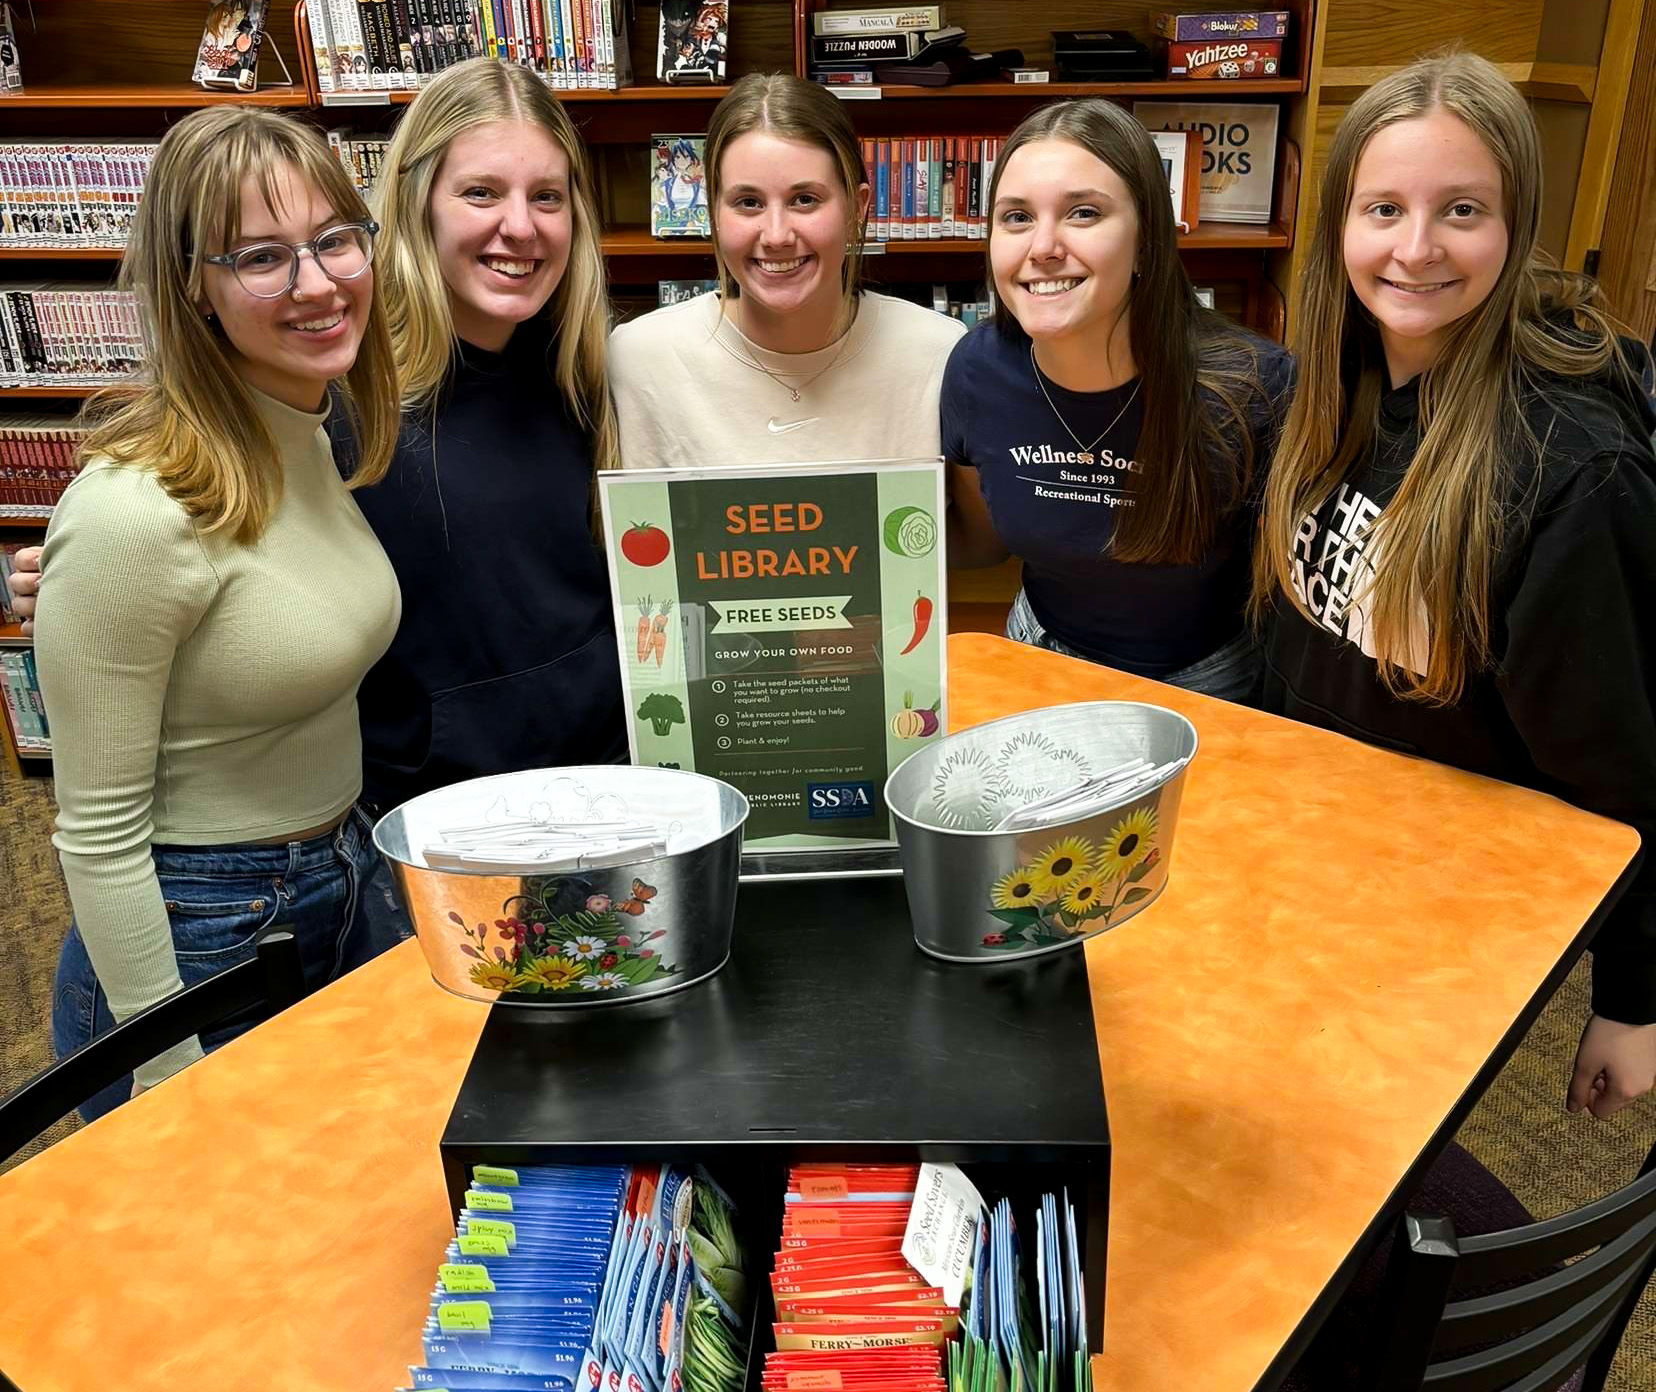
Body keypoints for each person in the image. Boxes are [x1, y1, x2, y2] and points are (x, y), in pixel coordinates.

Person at [1253, 50, 1656, 1119]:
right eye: (1384, 208)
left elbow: (1623, 767)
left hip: (1449, 918)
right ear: (1339, 225)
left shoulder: (1577, 473)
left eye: (1462, 210)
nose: (1416, 249)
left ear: (1517, 229)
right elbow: (1304, 633)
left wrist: (1634, 1002)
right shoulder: (1334, 381)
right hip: (1317, 867)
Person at [31, 106, 401, 1119]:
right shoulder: (130, 510)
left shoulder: (307, 427)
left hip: (336, 880)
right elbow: (97, 834)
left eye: (334, 240)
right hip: (197, 937)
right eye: (262, 257)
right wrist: (164, 1065)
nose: (319, 283)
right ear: (193, 285)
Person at [345, 57, 625, 837]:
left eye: (547, 197)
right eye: (481, 193)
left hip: (605, 802)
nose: (521, 227)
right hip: (435, 829)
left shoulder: (592, 376)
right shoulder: (344, 398)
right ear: (418, 204)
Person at [942, 99, 1292, 705]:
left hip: (1207, 685)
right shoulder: (977, 370)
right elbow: (984, 543)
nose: (1044, 246)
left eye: (1083, 213)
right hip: (1038, 657)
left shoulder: (1255, 386)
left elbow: (1291, 592)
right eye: (1017, 218)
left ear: (1148, 236)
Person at [608, 71, 965, 470]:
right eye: (748, 202)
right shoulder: (638, 358)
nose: (776, 236)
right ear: (713, 213)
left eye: (805, 199)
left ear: (856, 210)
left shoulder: (940, 353)